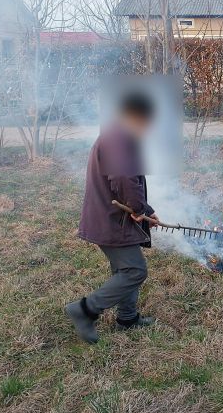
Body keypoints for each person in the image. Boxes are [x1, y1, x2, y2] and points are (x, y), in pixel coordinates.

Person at [65, 92, 161, 344]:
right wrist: (138, 207)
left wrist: (146, 210)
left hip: (114, 218)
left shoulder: (118, 134)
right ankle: (84, 310)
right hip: (111, 220)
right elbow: (121, 178)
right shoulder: (118, 138)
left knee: (124, 268)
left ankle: (127, 318)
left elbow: (128, 180)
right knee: (134, 271)